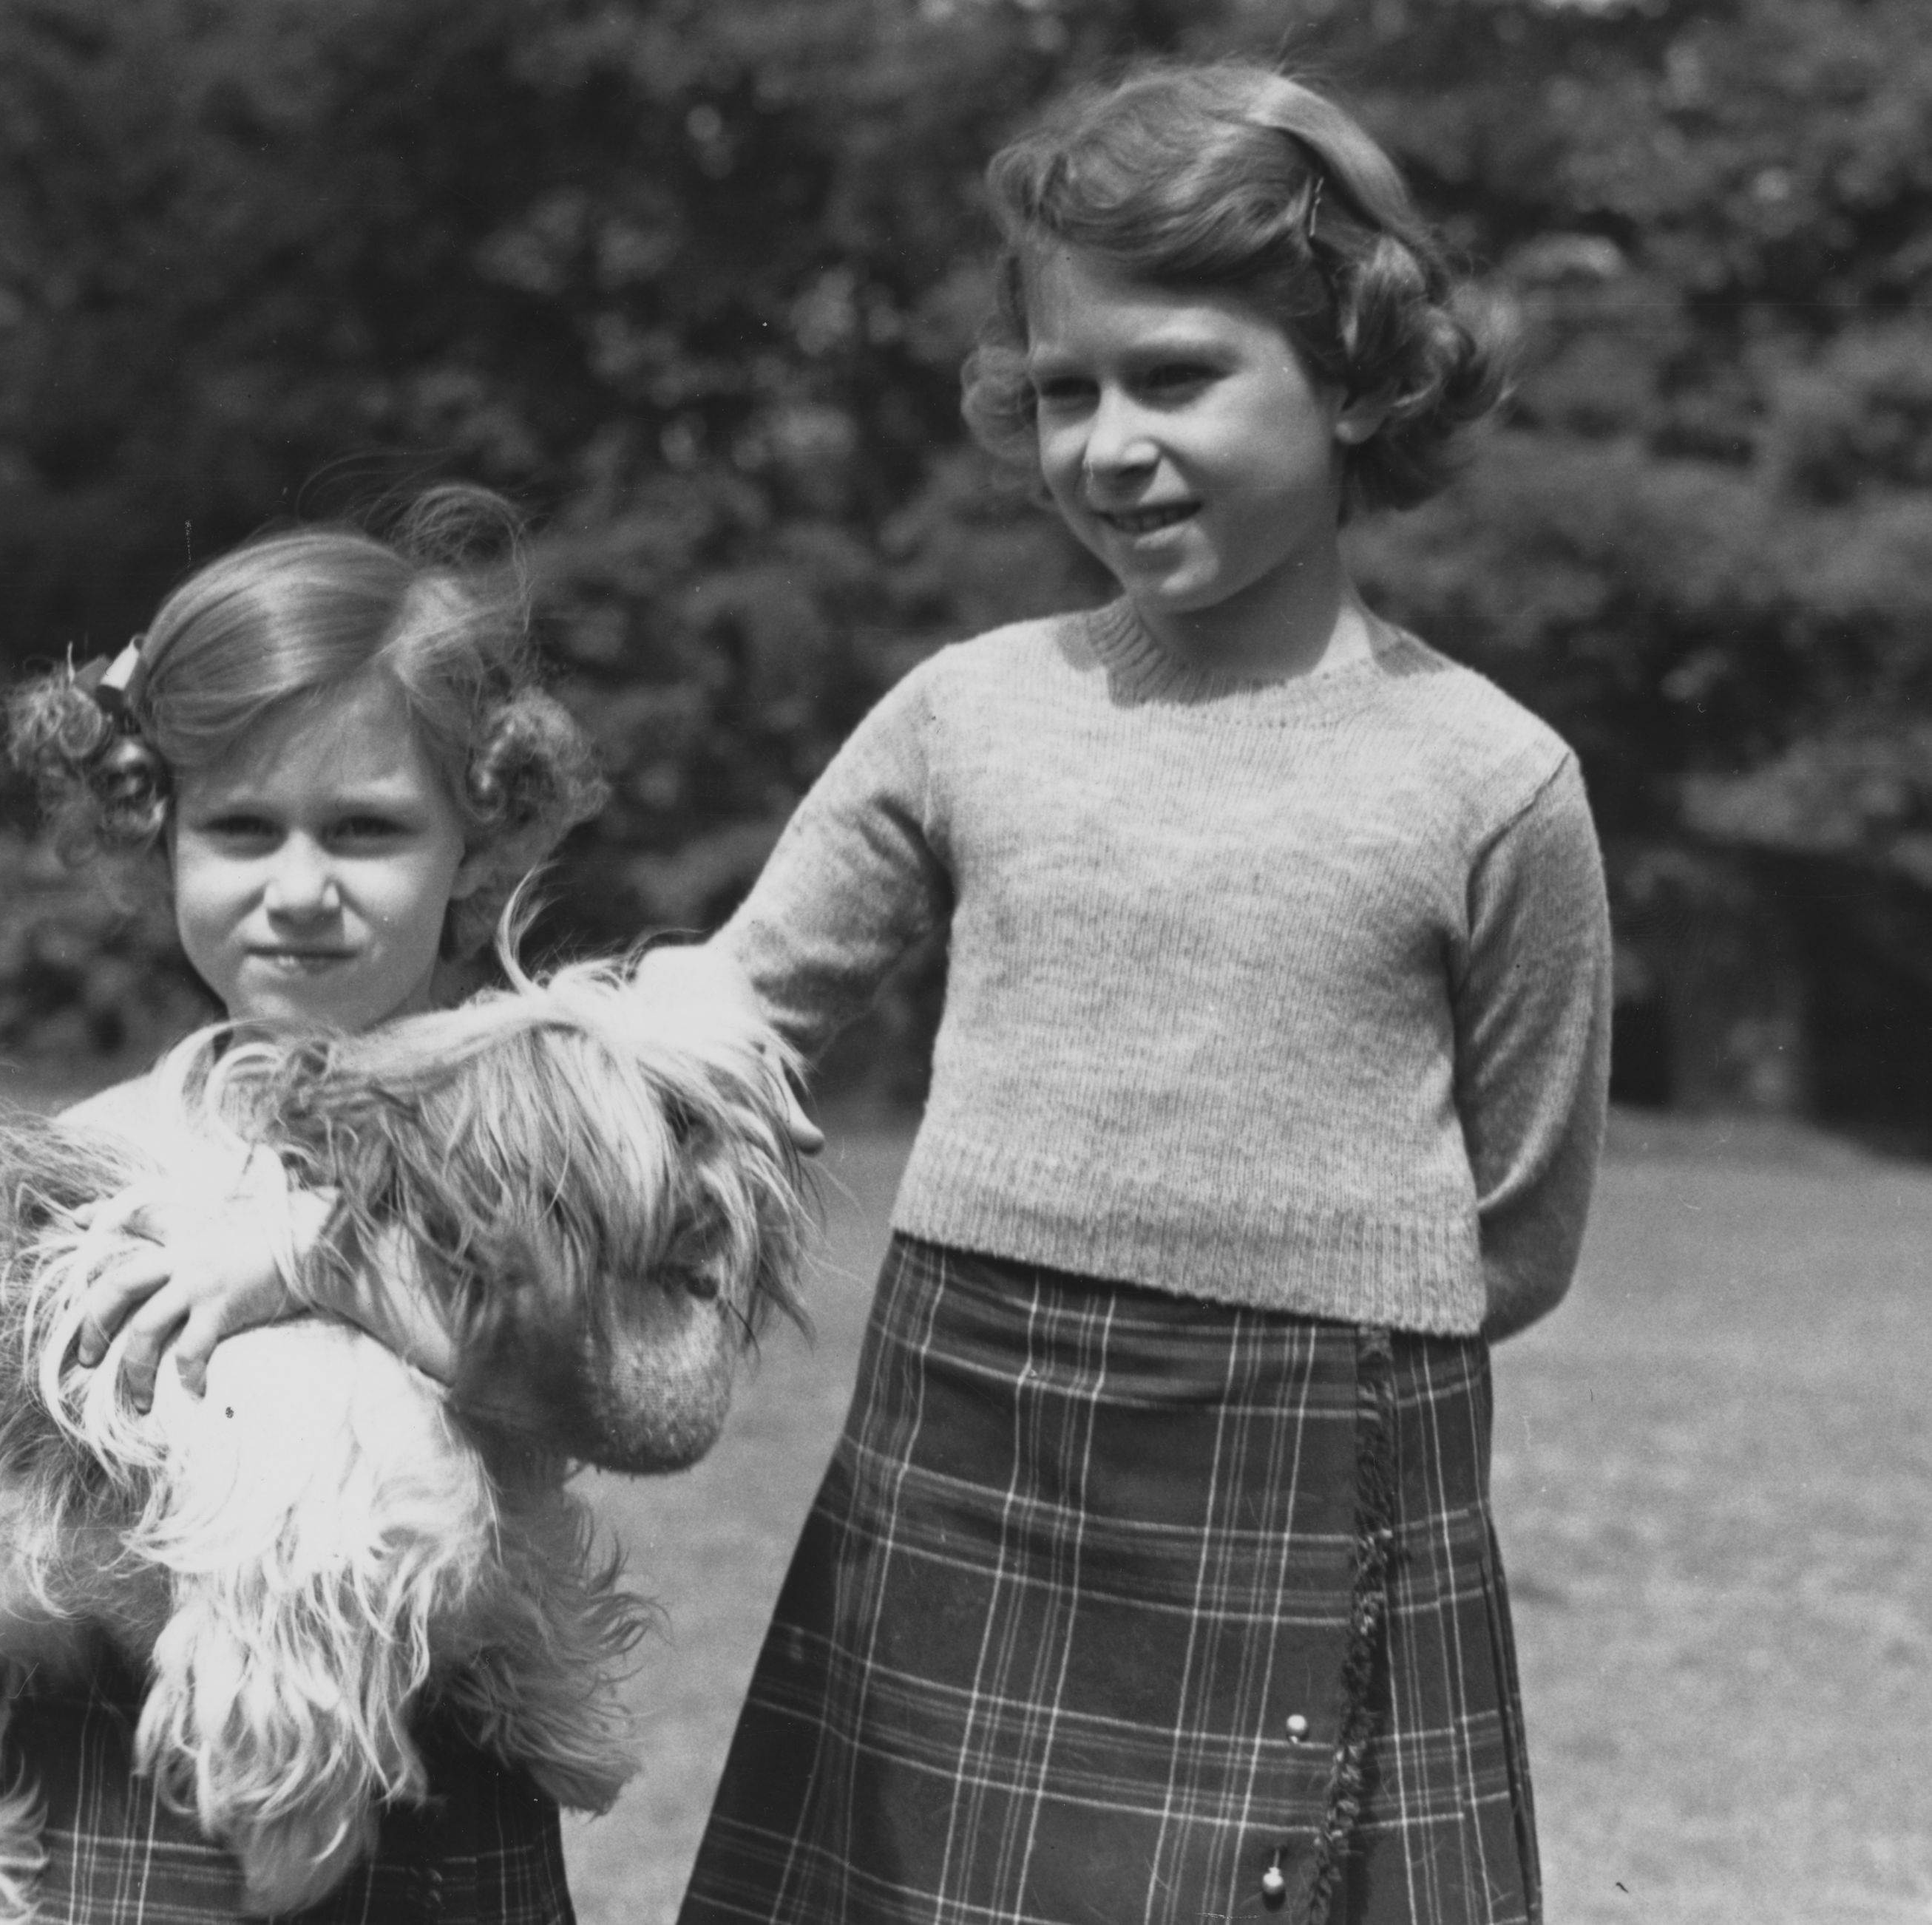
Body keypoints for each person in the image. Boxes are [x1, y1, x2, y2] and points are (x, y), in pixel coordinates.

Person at [657, 61, 1612, 1925]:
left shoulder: (1492, 778)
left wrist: (1306, 1317)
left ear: (1350, 376)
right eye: (1064, 391)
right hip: (966, 1438)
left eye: (1175, 377)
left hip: (1311, 1457)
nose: (1109, 443)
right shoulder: (968, 712)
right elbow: (721, 1025)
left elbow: (1523, 1216)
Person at [0, 486, 609, 1924]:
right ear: (158, 833)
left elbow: (607, 1394)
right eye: (243, 827)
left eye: (367, 829)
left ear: (484, 837)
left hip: (427, 1861)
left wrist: (324, 1272)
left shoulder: (510, 1137)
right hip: (105, 1856)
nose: (300, 889)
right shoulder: (93, 1159)